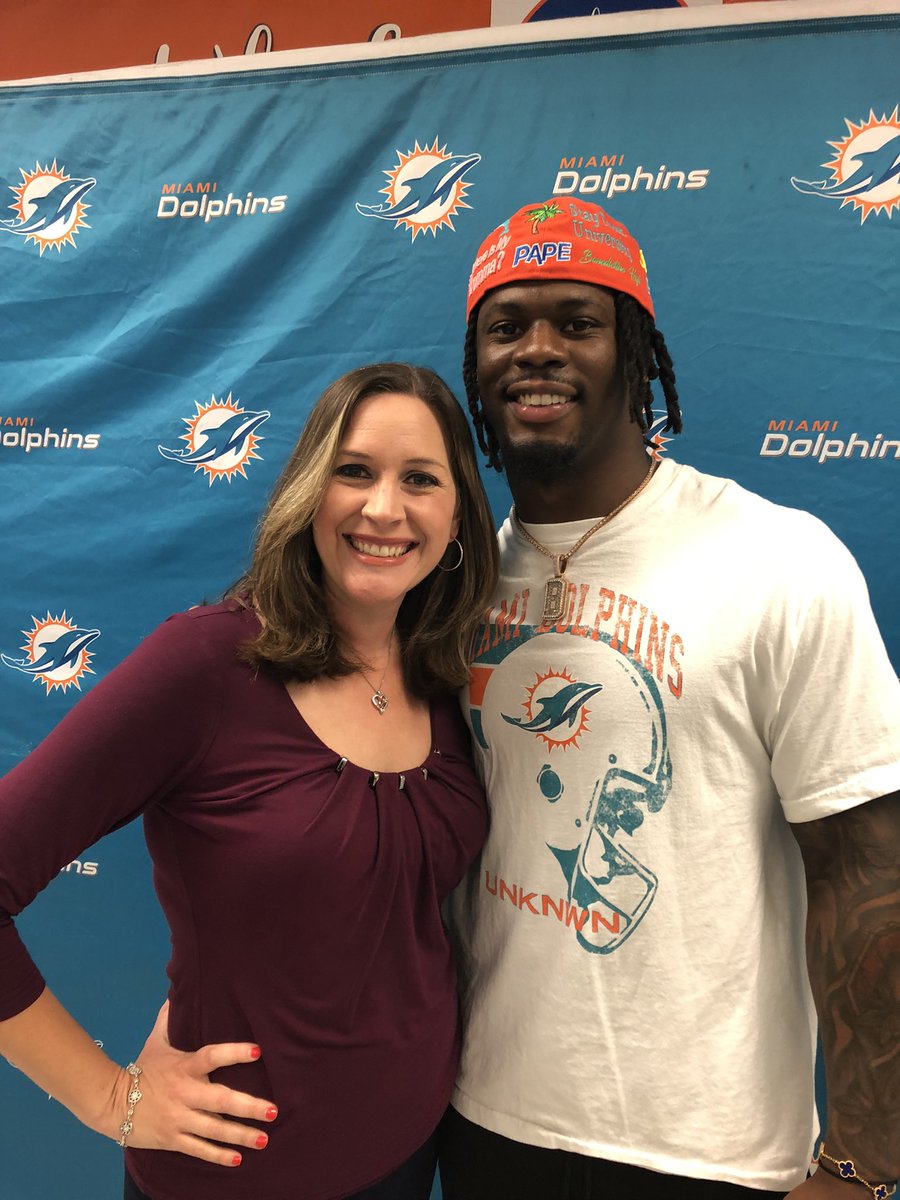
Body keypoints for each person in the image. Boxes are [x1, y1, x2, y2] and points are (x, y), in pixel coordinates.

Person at [440, 200, 900, 1200]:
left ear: (636, 353)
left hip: (713, 1152)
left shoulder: (778, 561)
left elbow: (868, 873)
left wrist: (865, 1163)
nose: (538, 349)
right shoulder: (450, 582)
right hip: (485, 1122)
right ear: (475, 363)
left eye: (578, 322)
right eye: (507, 326)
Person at [0, 362, 499, 1200]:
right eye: (354, 471)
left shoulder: (445, 675)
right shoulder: (206, 664)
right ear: (309, 491)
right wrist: (108, 1099)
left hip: (413, 1153)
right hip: (232, 1178)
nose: (384, 508)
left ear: (457, 519)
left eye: (420, 479)